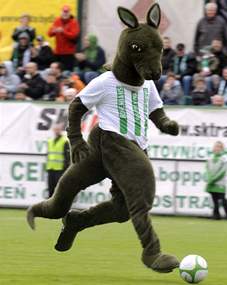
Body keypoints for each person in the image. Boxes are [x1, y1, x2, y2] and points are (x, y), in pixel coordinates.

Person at [27, 3, 180, 273]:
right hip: (111, 142)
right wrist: (75, 140)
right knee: (139, 189)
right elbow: (76, 107)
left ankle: (76, 222)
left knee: (122, 210)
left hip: (135, 146)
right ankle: (151, 252)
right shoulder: (106, 81)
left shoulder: (147, 84)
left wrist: (165, 123)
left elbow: (155, 108)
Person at [205, 141, 227, 220]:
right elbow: (207, 169)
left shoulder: (224, 160)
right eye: (216, 146)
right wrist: (209, 178)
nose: (217, 148)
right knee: (214, 200)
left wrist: (213, 179)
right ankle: (216, 215)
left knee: (223, 199)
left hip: (220, 183)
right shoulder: (209, 159)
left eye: (219, 147)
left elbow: (223, 172)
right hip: (211, 182)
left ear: (222, 149)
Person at [48, 5, 80, 71]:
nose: (65, 13)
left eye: (67, 12)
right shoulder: (57, 20)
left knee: (67, 72)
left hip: (68, 53)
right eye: (64, 11)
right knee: (56, 71)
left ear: (69, 13)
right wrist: (54, 31)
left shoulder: (73, 22)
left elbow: (74, 35)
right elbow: (49, 34)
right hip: (58, 52)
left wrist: (63, 31)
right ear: (61, 12)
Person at [46, 122, 70, 198]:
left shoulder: (64, 141)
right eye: (55, 129)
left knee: (59, 191)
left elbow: (67, 158)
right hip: (51, 169)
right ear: (53, 130)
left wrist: (65, 170)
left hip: (60, 170)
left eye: (58, 129)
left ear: (61, 130)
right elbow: (48, 155)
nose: (56, 131)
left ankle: (59, 208)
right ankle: (50, 208)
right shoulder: (50, 141)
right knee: (50, 190)